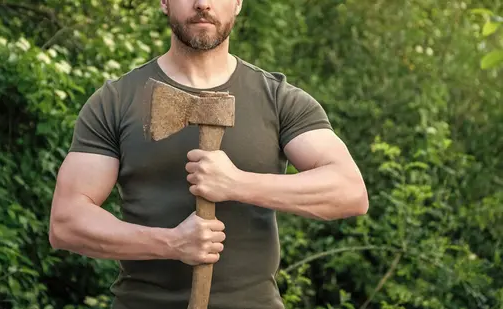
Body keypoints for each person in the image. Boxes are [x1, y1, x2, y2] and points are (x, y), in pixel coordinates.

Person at [48, 0, 369, 308]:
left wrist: (237, 184)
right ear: (164, 1)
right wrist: (172, 243)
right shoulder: (116, 101)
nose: (203, 3)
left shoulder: (278, 99)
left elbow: (349, 191)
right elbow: (67, 222)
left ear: (239, 3)